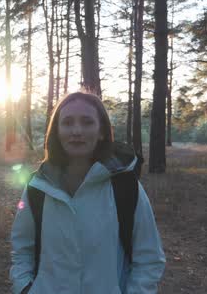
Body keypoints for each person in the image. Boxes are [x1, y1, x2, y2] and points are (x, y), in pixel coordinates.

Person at [9, 91, 165, 294]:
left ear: (101, 131)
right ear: (56, 131)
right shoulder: (37, 187)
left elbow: (149, 258)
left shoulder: (125, 187)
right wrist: (25, 288)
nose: (76, 131)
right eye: (67, 122)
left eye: (87, 122)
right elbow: (22, 249)